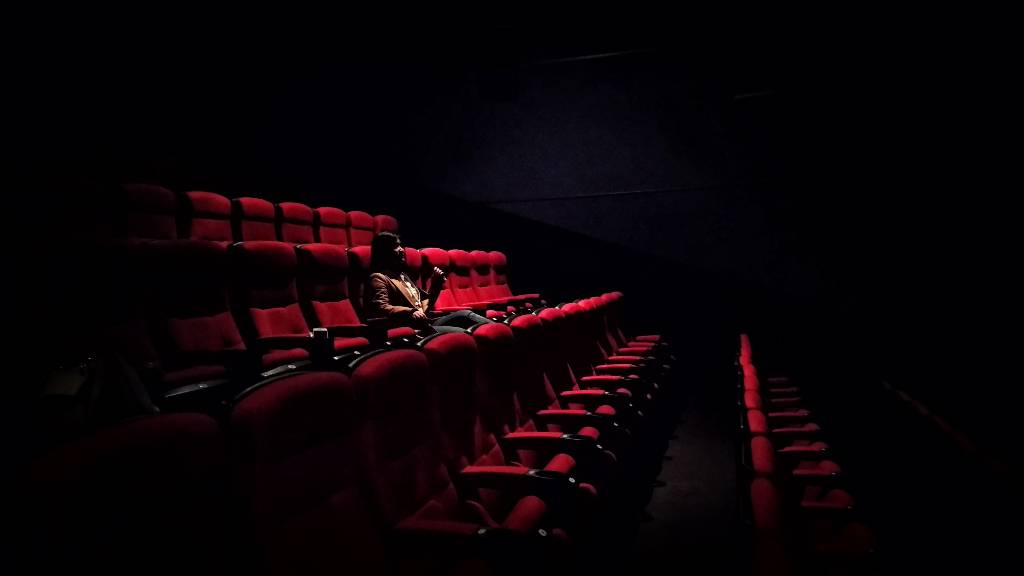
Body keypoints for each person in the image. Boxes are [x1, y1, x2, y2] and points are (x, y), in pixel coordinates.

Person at [366, 232, 492, 332]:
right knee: (463, 333)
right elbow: (381, 308)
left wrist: (436, 283)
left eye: (400, 245)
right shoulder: (379, 278)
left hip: (426, 322)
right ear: (384, 252)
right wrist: (410, 311)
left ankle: (497, 329)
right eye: (395, 246)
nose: (401, 250)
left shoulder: (403, 275)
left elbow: (426, 305)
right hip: (411, 327)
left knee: (466, 314)